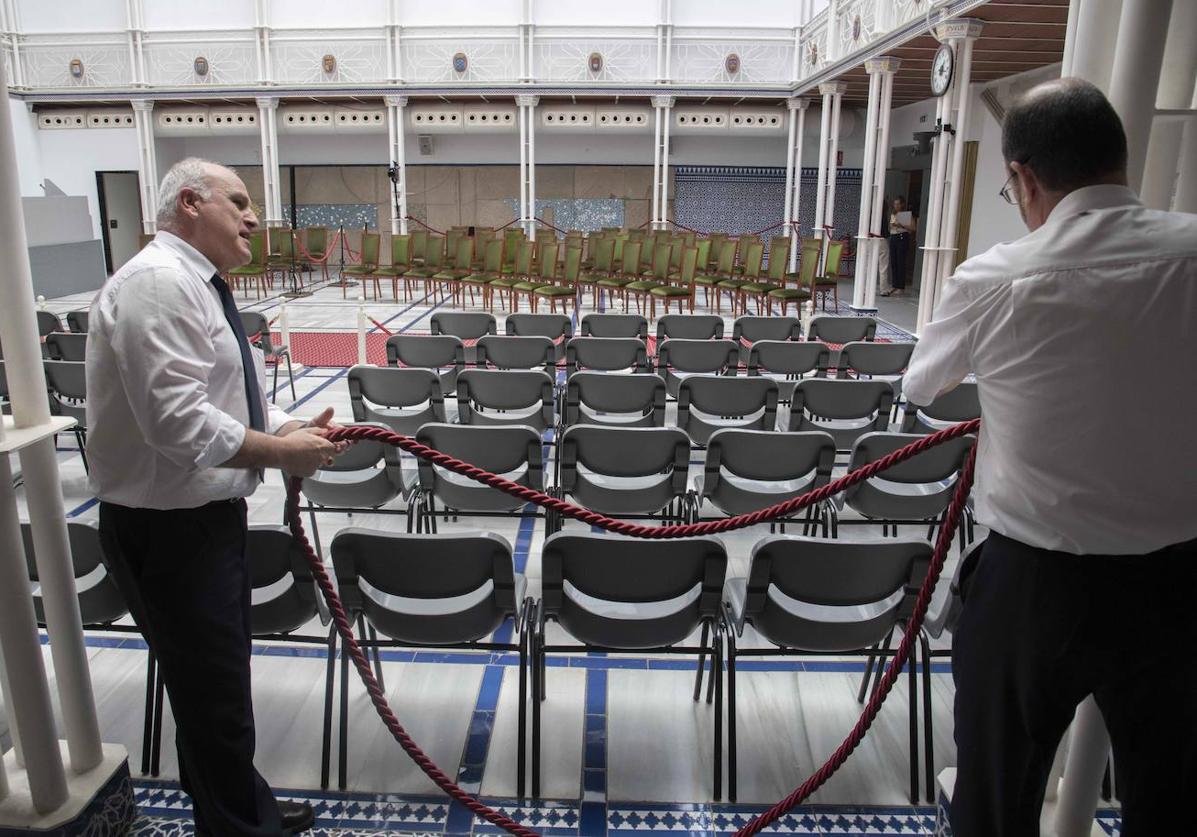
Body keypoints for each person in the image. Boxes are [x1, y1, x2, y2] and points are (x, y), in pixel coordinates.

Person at [903, 78, 1197, 836]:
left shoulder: (995, 278)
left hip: (1036, 583)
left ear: (1025, 177)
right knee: (1170, 796)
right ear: (1118, 160)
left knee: (996, 799)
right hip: (1177, 580)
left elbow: (921, 385)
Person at [87, 158, 343, 835]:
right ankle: (239, 825)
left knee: (213, 696)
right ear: (192, 204)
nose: (254, 217)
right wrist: (281, 452)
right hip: (168, 533)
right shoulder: (160, 285)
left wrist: (285, 423)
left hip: (199, 523)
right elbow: (179, 423)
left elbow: (229, 394)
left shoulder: (195, 286)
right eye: (240, 201)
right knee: (215, 700)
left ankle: (238, 806)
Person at [882, 196, 915, 296]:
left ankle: (901, 286)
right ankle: (895, 285)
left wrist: (901, 225)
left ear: (902, 204)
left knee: (901, 262)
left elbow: (912, 228)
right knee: (894, 262)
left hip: (902, 237)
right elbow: (890, 226)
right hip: (893, 237)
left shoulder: (906, 215)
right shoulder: (893, 214)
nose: (896, 206)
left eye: (898, 204)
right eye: (895, 204)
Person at [877, 196, 892, 294]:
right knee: (883, 266)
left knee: (867, 266)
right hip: (881, 240)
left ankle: (864, 288)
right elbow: (886, 232)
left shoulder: (870, 215)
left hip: (869, 240)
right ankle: (883, 289)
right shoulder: (883, 216)